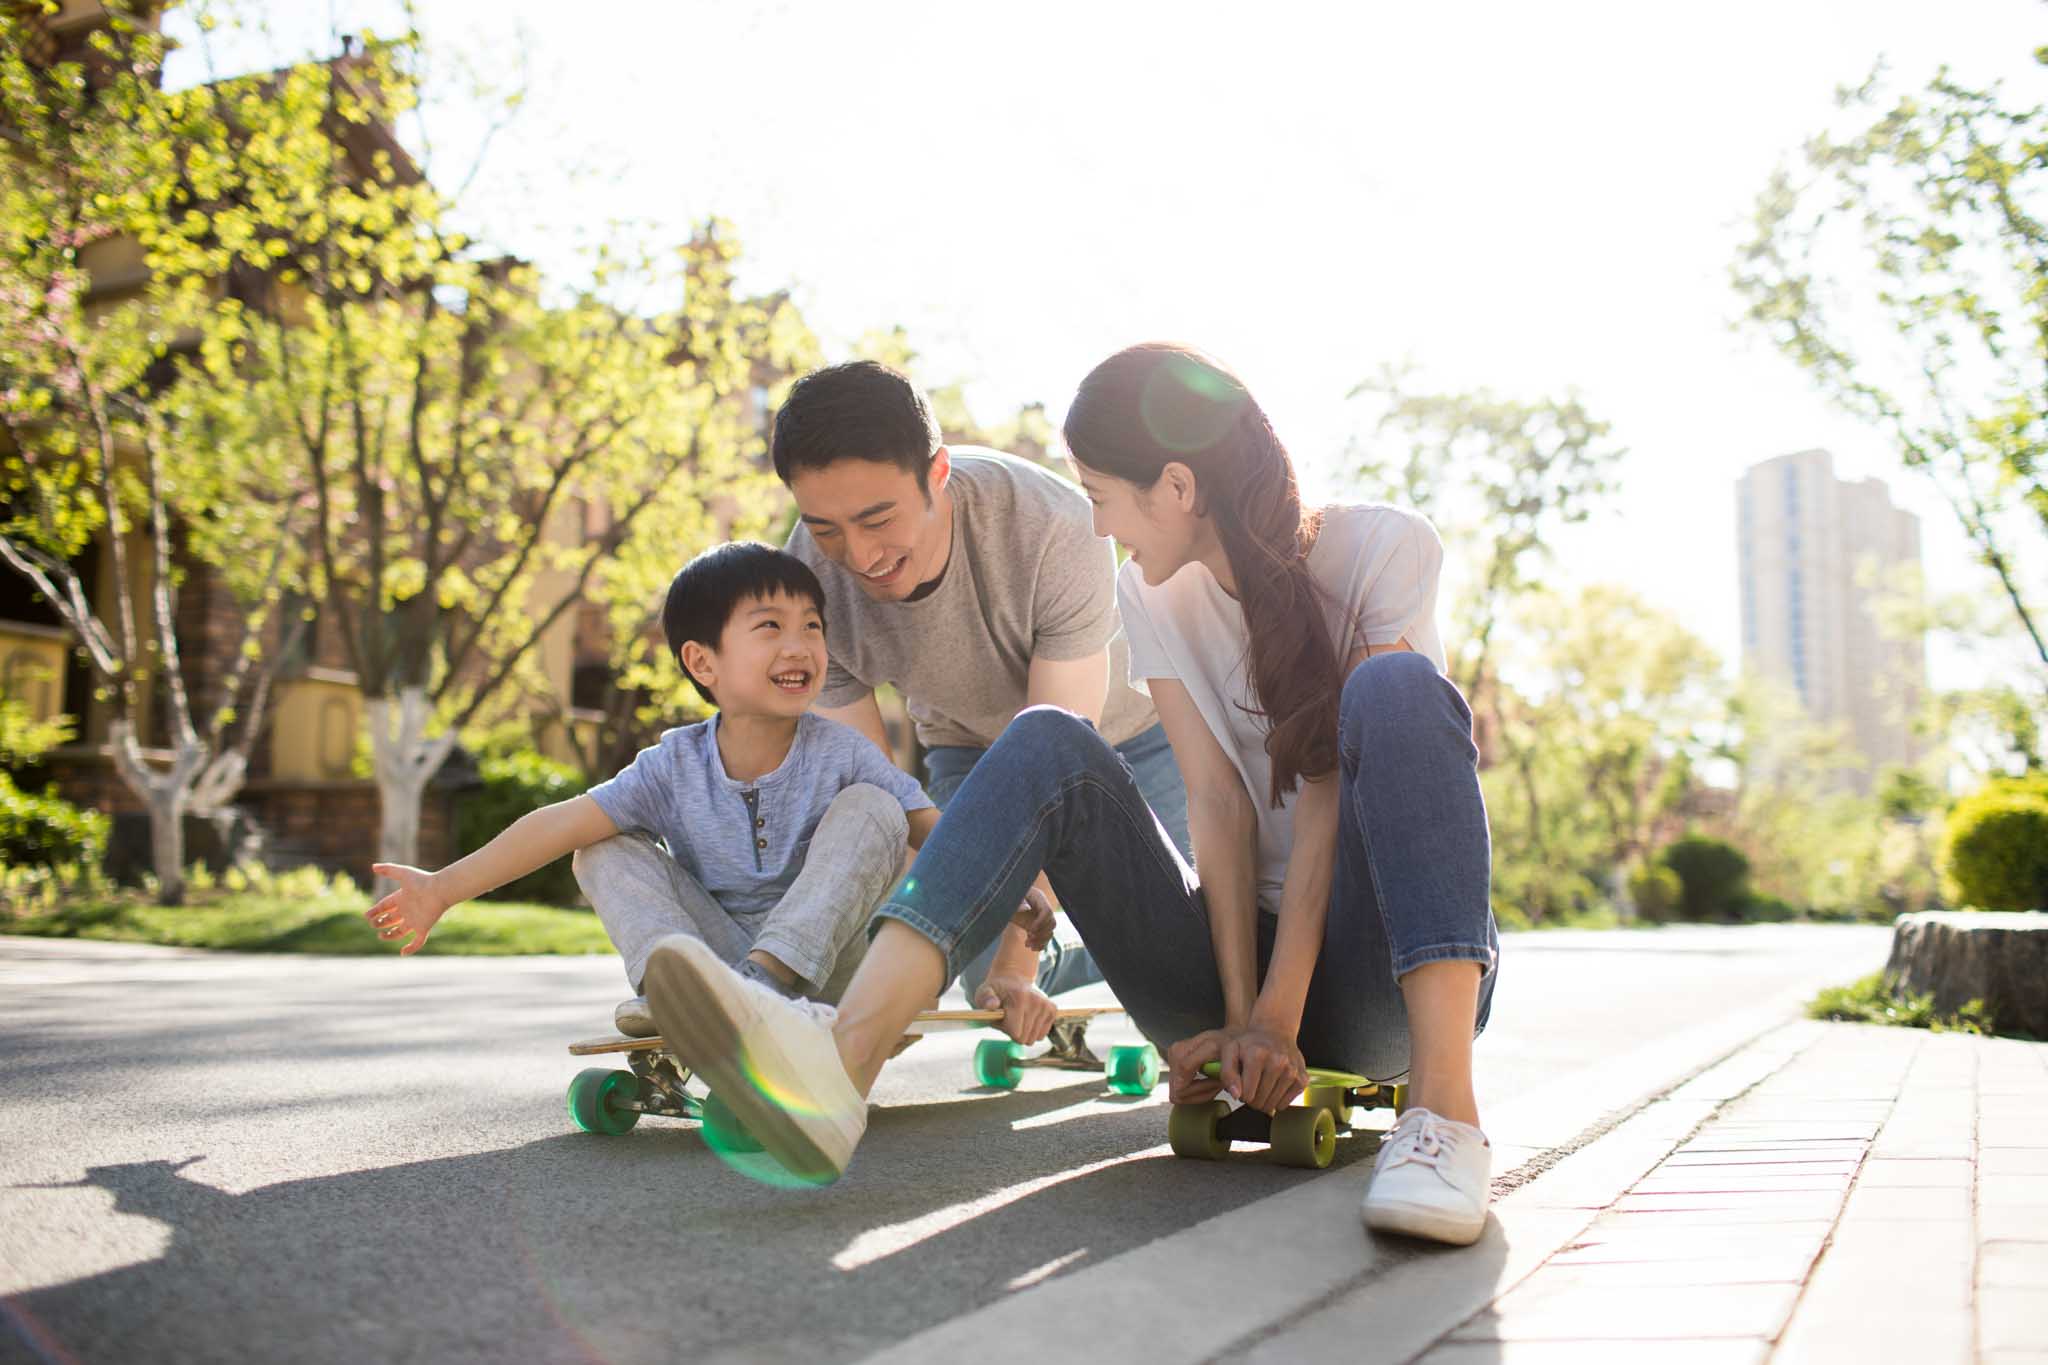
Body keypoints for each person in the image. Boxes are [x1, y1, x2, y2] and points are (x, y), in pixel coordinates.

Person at [638, 344, 1500, 1248]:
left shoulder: (1383, 548)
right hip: (1231, 966)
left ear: (1176, 486)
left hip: (1377, 982)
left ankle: (1445, 1120)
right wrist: (1235, 1019)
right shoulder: (1150, 592)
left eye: (1101, 498)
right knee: (1045, 737)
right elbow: (1218, 809)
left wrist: (1277, 1018)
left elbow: (1323, 797)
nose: (1100, 527)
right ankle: (837, 1071)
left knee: (1396, 693)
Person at [362, 543, 1028, 1037]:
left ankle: (764, 985)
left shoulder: (844, 752)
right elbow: (559, 823)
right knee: (599, 846)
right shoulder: (671, 765)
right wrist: (443, 886)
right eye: (770, 627)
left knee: (876, 807)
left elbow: (929, 825)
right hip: (721, 967)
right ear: (703, 661)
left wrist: (1008, 887)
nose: (800, 646)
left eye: (812, 627)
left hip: (838, 970)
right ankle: (678, 990)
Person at [773, 360, 1192, 1034]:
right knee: (977, 970)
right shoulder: (805, 584)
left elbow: (1058, 760)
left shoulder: (1055, 525)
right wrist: (931, 941)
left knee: (1183, 941)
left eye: (878, 518)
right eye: (826, 528)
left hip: (1133, 738)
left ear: (938, 474)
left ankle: (1120, 949)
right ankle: (1067, 960)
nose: (857, 554)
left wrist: (1016, 964)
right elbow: (878, 793)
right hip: (967, 743)